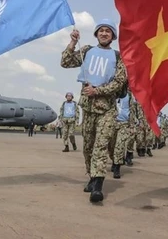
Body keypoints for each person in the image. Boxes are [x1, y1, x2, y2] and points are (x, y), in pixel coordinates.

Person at [60, 19, 127, 203]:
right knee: (88, 147)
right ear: (96, 33)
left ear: (113, 36)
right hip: (88, 108)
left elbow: (119, 81)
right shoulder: (87, 50)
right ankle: (91, 176)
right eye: (101, 30)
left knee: (100, 146)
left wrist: (98, 90)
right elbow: (65, 62)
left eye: (108, 31)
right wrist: (73, 42)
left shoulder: (118, 56)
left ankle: (98, 186)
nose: (104, 33)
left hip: (107, 110)